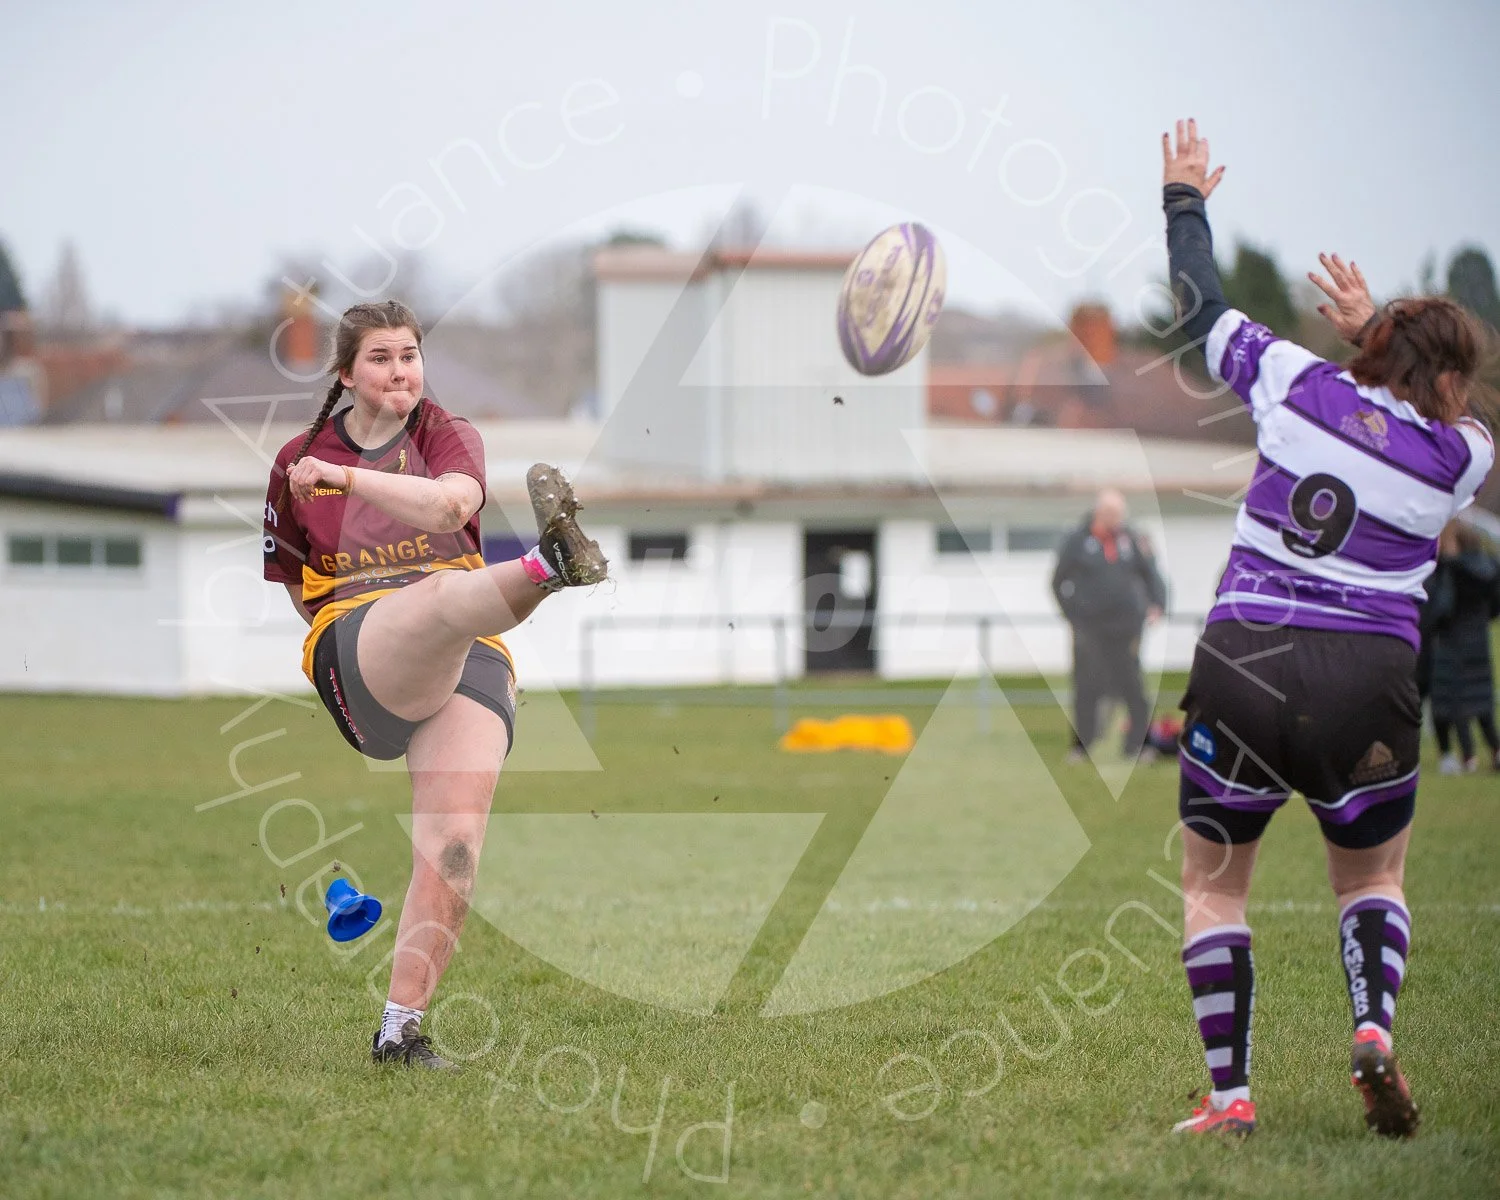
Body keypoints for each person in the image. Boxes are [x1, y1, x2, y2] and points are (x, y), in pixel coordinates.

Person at [1161, 120, 1492, 1138]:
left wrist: (1183, 200)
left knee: (1214, 889)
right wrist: (1379, 338)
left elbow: (1201, 304)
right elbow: (1426, 410)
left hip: (1245, 664)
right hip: (1369, 684)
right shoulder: (1462, 457)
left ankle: (1230, 1097)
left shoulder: (1287, 380)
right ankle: (1374, 1030)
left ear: (1372, 346)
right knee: (1374, 876)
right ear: (1450, 385)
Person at [261, 299, 608, 1070]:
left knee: (455, 845)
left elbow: (454, 503)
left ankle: (399, 1032)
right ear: (346, 373)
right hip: (356, 649)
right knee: (438, 600)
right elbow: (295, 586)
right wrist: (345, 622)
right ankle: (549, 567)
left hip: (469, 639)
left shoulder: (445, 436)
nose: (400, 370)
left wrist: (346, 480)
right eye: (381, 357)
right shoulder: (297, 458)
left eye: (410, 355)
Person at [1051, 488, 1167, 762]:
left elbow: (1151, 573)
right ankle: (1082, 747)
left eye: (1120, 514)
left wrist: (1157, 604)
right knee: (1086, 686)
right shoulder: (1077, 540)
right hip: (1090, 629)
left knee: (1133, 687)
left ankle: (1137, 746)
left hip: (1127, 627)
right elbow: (1057, 582)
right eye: (1112, 514)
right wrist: (1073, 615)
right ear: (1100, 512)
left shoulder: (1132, 538)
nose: (1117, 520)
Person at [1426, 520, 1500, 772]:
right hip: (1479, 640)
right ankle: (1496, 751)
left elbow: (1443, 608)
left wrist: (1433, 624)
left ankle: (1466, 757)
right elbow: (1496, 605)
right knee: (1482, 702)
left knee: (1452, 702)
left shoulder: (1452, 570)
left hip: (1453, 642)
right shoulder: (1490, 566)